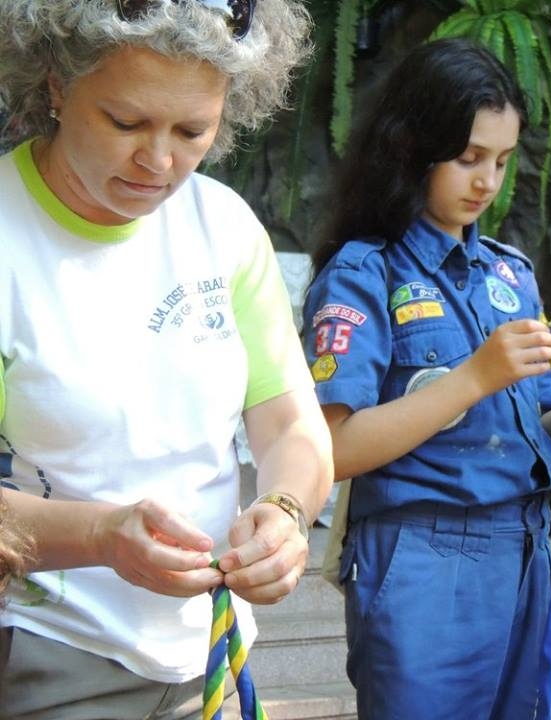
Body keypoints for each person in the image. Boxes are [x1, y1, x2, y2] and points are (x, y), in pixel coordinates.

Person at [0, 1, 334, 717]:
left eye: (193, 131)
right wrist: (99, 536)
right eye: (125, 123)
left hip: (215, 651)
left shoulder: (224, 226)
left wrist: (284, 510)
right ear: (56, 84)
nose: (159, 162)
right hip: (54, 654)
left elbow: (290, 426)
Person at [302, 37, 551, 720]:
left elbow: (525, 433)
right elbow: (329, 451)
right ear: (410, 148)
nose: (487, 181)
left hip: (522, 546)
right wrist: (472, 377)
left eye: (503, 161)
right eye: (468, 159)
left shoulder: (509, 273)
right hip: (423, 553)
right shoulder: (367, 273)